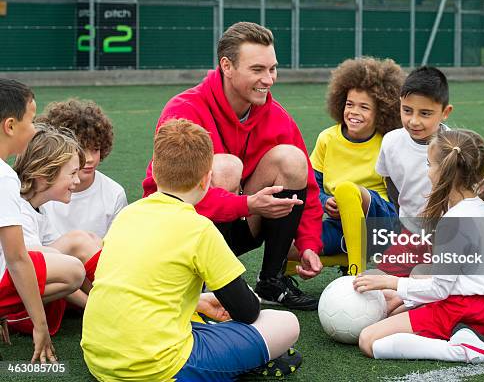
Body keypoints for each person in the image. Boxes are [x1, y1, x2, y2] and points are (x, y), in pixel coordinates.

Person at [82, 119, 301, 380]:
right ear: (207, 178)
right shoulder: (199, 228)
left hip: (98, 360)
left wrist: (197, 302)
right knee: (286, 324)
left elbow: (133, 286)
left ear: (154, 171)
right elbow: (247, 311)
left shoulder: (127, 215)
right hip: (158, 369)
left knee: (197, 317)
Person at [142, 22, 322, 310]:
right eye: (257, 70)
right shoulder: (184, 111)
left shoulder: (277, 117)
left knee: (292, 158)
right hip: (181, 234)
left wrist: (310, 244)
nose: (269, 79)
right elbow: (164, 194)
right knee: (225, 166)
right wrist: (248, 204)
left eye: (272, 68)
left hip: (242, 223)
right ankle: (197, 280)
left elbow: (309, 189)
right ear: (227, 66)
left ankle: (272, 280)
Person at [353, 129, 484, 365]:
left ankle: (464, 349)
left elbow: (440, 289)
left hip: (467, 310)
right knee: (394, 310)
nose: (427, 171)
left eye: (429, 164)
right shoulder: (475, 206)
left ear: (445, 172)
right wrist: (404, 297)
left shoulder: (456, 221)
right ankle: (463, 338)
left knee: (369, 340)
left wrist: (392, 282)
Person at [0, 79, 83, 363]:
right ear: (10, 126)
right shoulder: (4, 177)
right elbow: (16, 258)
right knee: (73, 270)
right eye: (31, 119)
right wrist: (40, 324)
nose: (35, 128)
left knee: (67, 253)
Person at [310, 57, 403, 275]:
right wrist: (325, 202)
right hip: (340, 223)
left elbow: (400, 198)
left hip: (382, 222)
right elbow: (312, 185)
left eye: (364, 107)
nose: (354, 112)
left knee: (348, 190)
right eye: (349, 104)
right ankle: (348, 248)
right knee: (294, 247)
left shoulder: (387, 142)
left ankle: (355, 270)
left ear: (381, 111)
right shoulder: (327, 138)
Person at [12, 124, 102, 312]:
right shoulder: (18, 210)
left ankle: (111, 301)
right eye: (71, 174)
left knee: (82, 241)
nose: (77, 181)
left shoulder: (38, 208)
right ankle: (109, 306)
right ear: (44, 174)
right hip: (17, 297)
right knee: (77, 242)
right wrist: (93, 308)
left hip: (23, 286)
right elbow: (22, 269)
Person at [374, 67, 453, 277]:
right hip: (410, 234)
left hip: (450, 238)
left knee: (432, 284)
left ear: (445, 112)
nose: (414, 120)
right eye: (407, 110)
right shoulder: (390, 142)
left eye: (425, 113)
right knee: (377, 281)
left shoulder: (455, 147)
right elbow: (392, 187)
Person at [38, 99, 127, 238]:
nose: (90, 158)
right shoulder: (41, 191)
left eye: (95, 149)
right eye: (81, 150)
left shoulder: (114, 194)